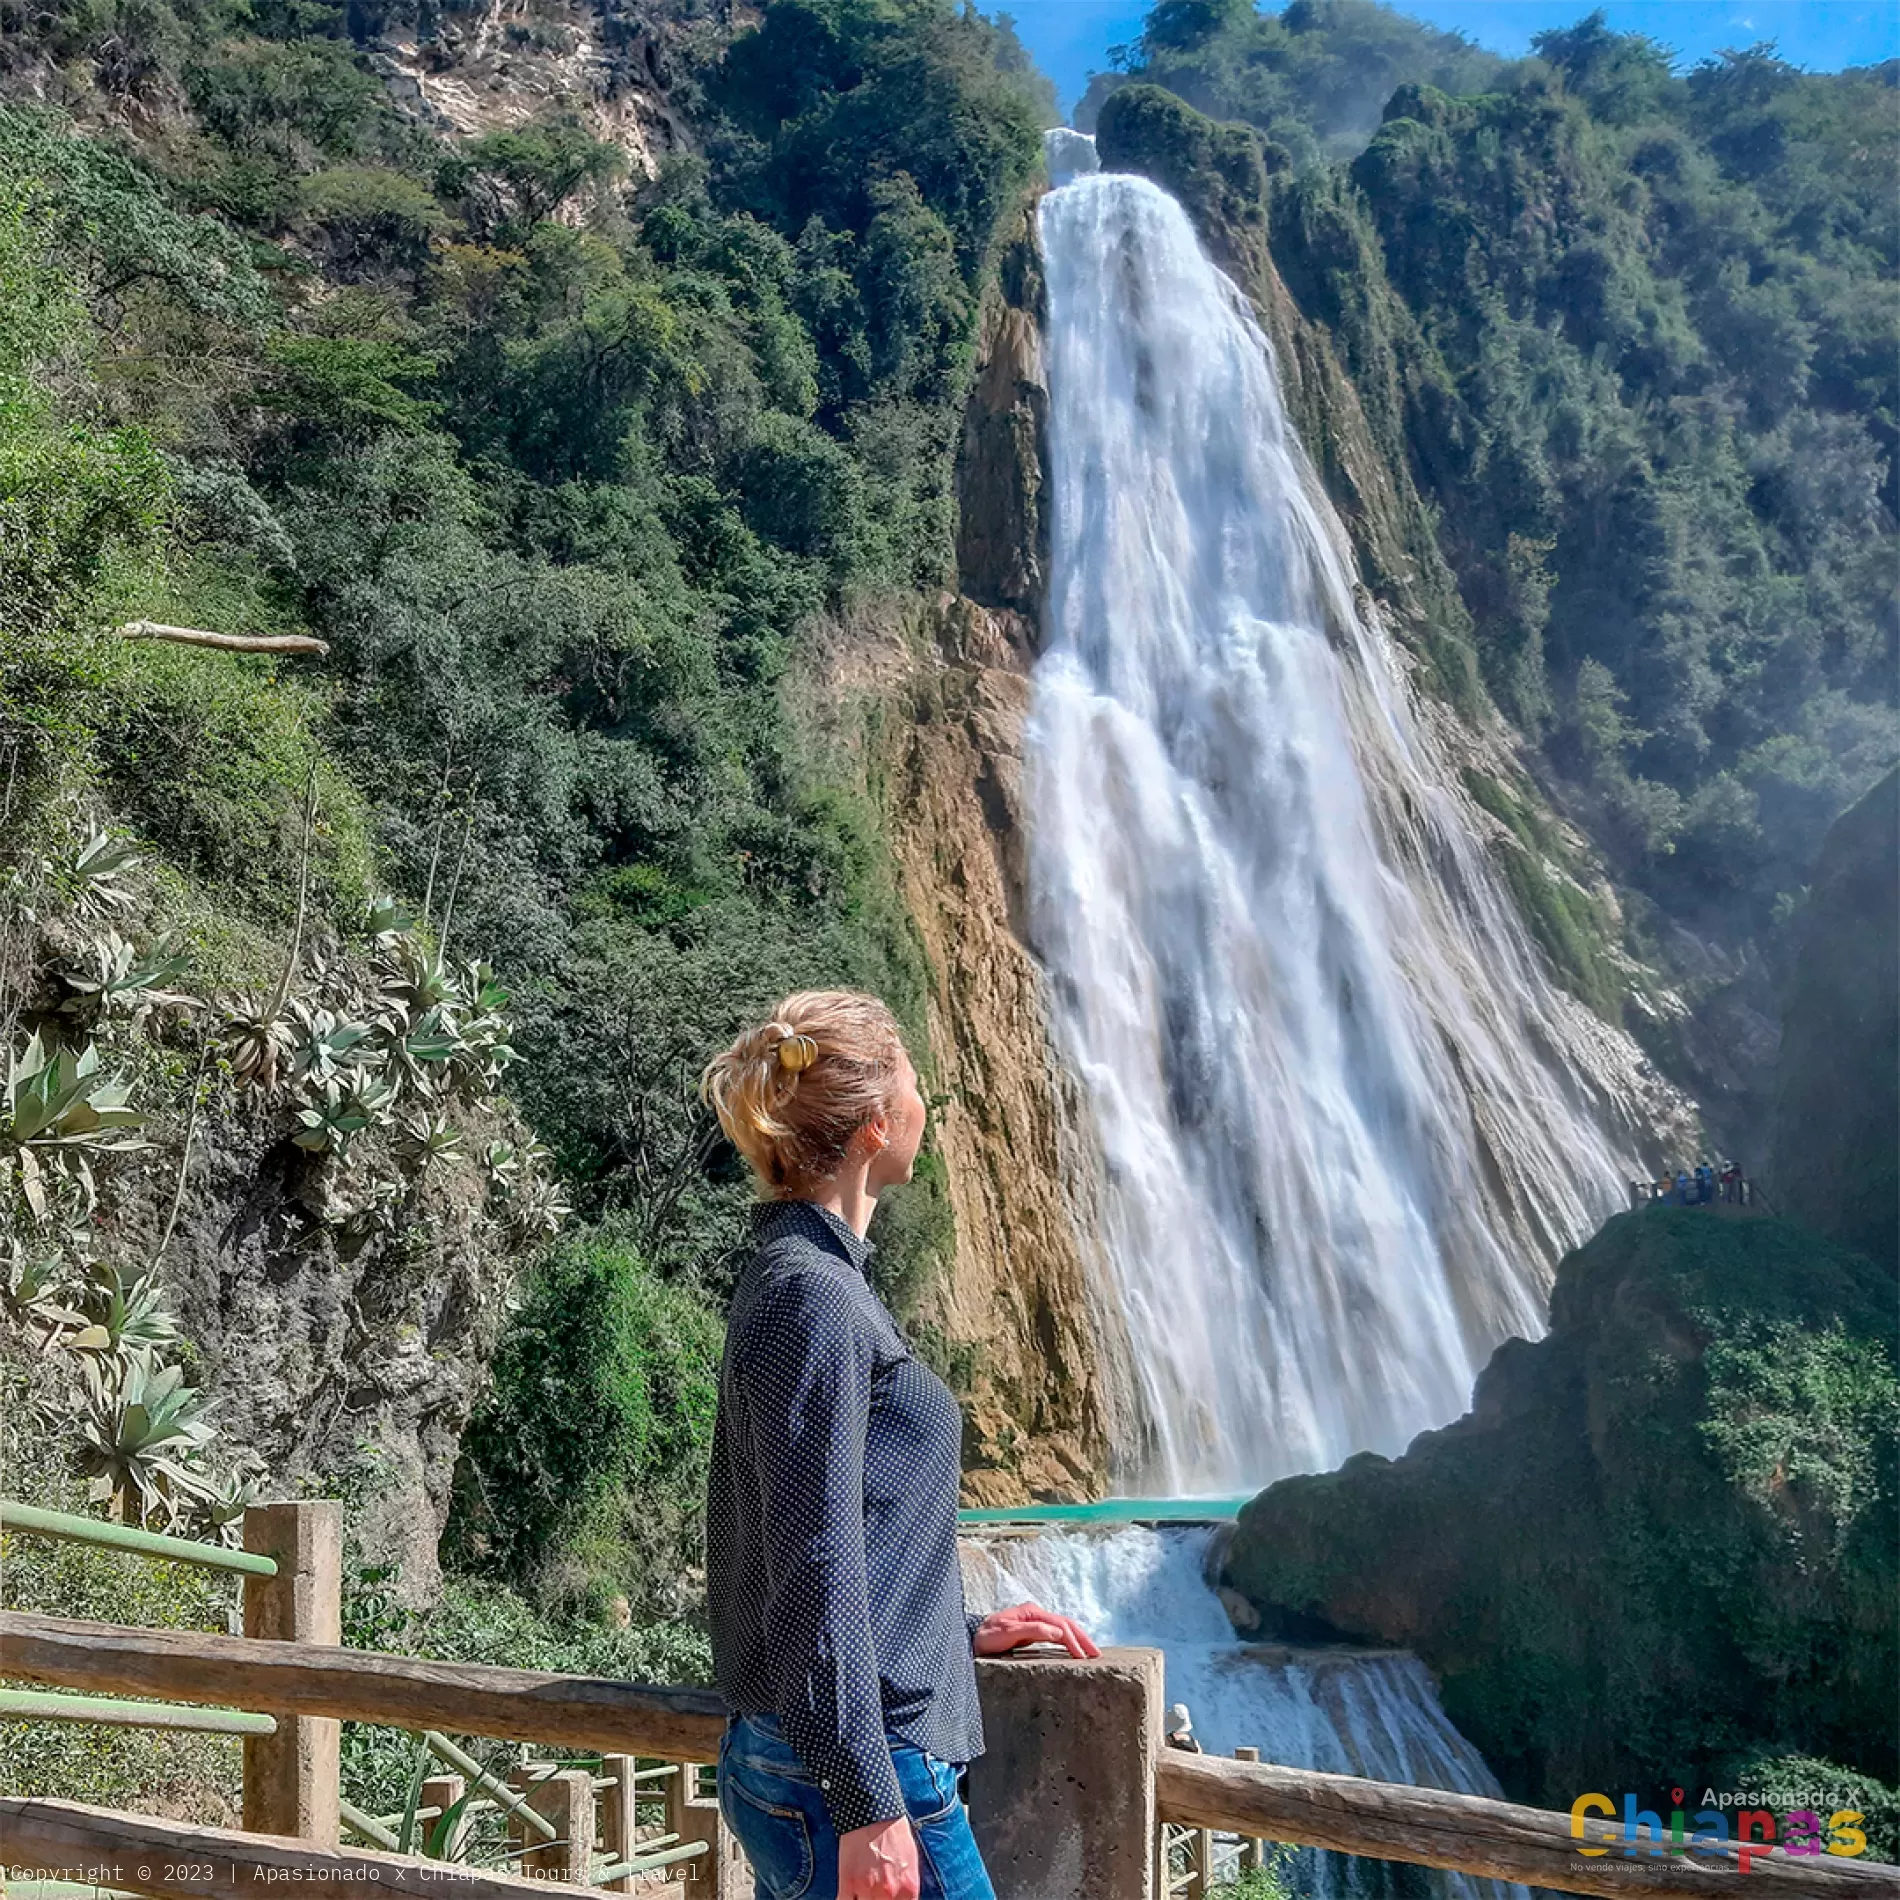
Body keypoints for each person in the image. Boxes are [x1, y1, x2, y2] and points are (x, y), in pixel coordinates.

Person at [701, 990, 1100, 1900]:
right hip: (860, 1771)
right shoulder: (815, 1298)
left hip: (830, 1757)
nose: (930, 1105)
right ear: (878, 1127)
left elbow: (833, 1536)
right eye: (917, 1084)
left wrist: (948, 1635)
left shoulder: (808, 1281)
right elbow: (810, 1561)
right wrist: (867, 1804)